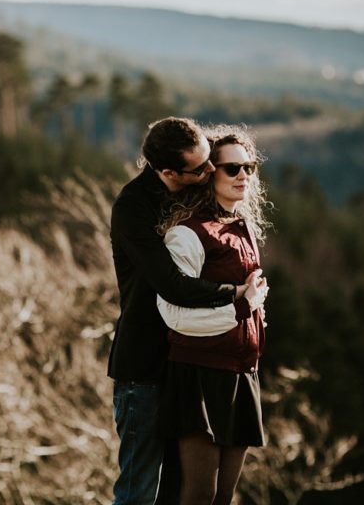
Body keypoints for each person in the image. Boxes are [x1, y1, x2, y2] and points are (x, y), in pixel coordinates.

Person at [108, 117, 267, 505]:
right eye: (204, 168)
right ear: (169, 172)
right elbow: (172, 286)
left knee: (174, 491)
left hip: (185, 363)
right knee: (139, 489)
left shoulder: (202, 204)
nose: (211, 170)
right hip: (145, 365)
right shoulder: (134, 208)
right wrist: (238, 297)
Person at [156, 124, 271, 505]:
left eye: (249, 167)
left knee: (224, 498)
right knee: (198, 495)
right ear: (210, 173)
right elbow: (175, 316)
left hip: (242, 373)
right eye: (232, 168)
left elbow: (249, 300)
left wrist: (254, 318)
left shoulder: (245, 229)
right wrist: (242, 308)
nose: (243, 176)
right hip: (198, 375)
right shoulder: (187, 234)